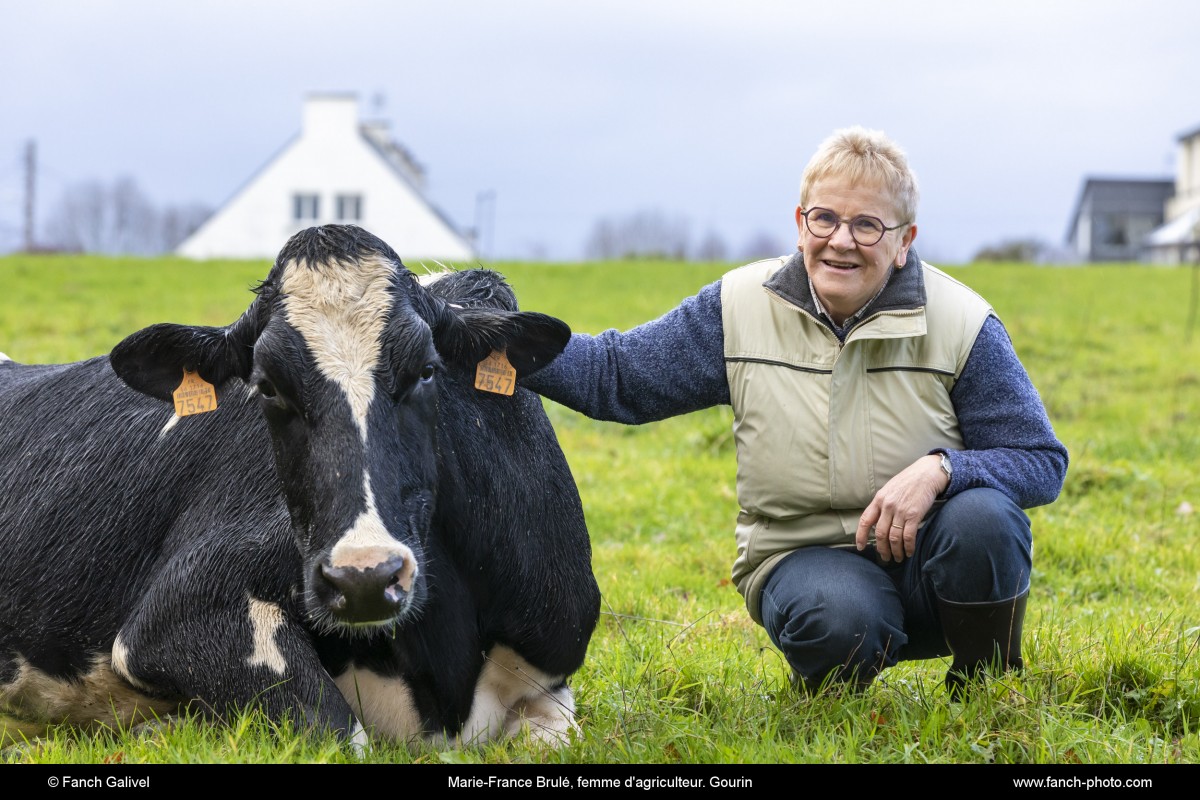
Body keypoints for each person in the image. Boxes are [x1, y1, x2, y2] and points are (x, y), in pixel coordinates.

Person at [523, 126, 1068, 696]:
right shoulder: (738, 308)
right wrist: (494, 336)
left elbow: (1039, 459)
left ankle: (984, 684)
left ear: (904, 240)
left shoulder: (961, 322)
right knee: (839, 622)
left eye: (867, 225)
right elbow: (616, 376)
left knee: (985, 518)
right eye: (825, 218)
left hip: (931, 559)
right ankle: (838, 675)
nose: (841, 240)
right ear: (800, 221)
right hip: (803, 555)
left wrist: (942, 470)